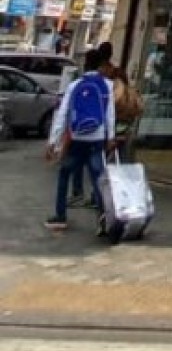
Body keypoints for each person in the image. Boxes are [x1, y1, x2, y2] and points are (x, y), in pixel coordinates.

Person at [45, 51, 117, 231]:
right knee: (98, 179)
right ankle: (104, 219)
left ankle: (60, 216)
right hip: (97, 137)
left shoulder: (74, 85)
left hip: (77, 137)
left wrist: (53, 141)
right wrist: (111, 137)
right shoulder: (107, 85)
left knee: (64, 174)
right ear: (100, 65)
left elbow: (63, 115)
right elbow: (110, 114)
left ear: (85, 64)